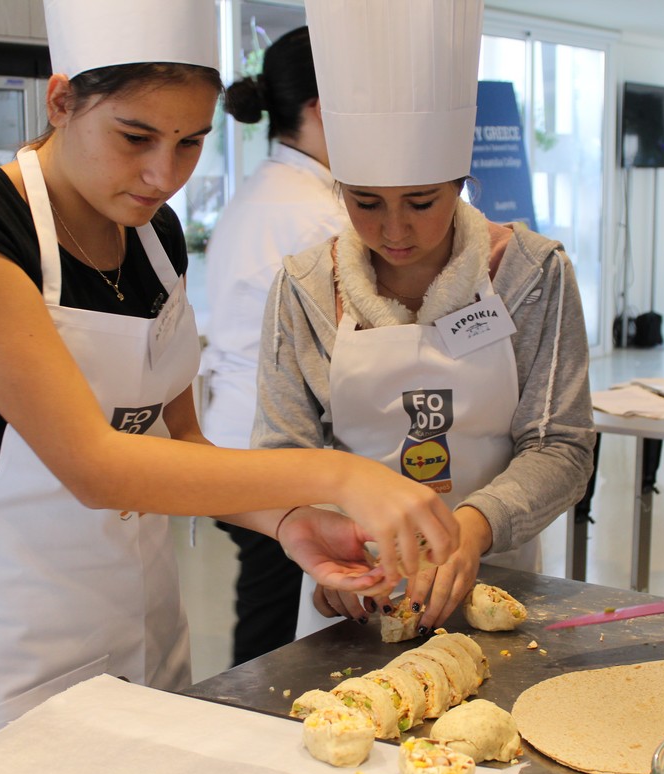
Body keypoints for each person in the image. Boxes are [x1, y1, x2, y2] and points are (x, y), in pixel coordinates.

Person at [0, 0, 457, 759]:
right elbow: (95, 466)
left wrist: (288, 519)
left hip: (145, 626)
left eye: (192, 142)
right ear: (61, 101)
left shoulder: (154, 237)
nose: (164, 174)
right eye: (135, 138)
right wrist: (342, 475)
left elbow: (180, 438)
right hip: (16, 648)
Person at [255, 0, 595, 637]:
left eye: (420, 201)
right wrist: (331, 549)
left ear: (460, 182)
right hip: (360, 588)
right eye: (365, 202)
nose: (394, 230)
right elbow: (282, 455)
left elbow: (562, 445)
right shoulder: (304, 286)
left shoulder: (531, 273)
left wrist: (473, 527)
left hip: (500, 579)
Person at [199, 27, 347, 666]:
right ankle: (247, 725)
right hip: (272, 446)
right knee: (276, 622)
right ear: (319, 107)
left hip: (232, 436)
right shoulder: (316, 215)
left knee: (263, 603)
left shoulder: (263, 192)